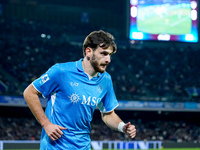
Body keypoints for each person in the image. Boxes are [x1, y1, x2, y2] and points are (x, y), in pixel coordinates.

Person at [23, 30, 136, 150]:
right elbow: (29, 92)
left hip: (83, 146)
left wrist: (122, 127)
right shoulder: (61, 71)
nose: (108, 59)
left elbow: (108, 114)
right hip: (55, 146)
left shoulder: (106, 80)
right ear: (88, 51)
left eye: (110, 54)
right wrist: (46, 124)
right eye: (103, 53)